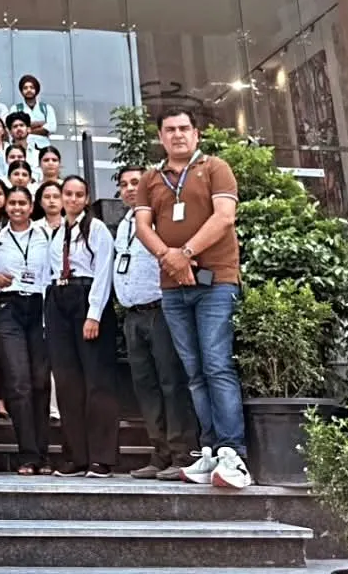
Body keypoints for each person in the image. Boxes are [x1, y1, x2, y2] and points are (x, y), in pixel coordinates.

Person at [133, 108, 251, 489]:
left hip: (215, 281)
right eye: (170, 129)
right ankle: (210, 449)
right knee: (195, 373)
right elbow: (142, 226)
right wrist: (168, 258)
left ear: (196, 134)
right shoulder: (151, 179)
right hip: (173, 289)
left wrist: (184, 253)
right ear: (161, 137)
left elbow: (224, 217)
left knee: (217, 365)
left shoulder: (216, 167)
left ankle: (234, 454)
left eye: (184, 128)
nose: (178, 134)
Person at [114, 166, 198, 481]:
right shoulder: (125, 224)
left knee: (171, 383)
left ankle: (181, 453)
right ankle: (159, 453)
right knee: (145, 387)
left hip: (162, 309)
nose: (129, 189)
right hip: (133, 315)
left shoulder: (163, 218)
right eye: (124, 184)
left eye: (135, 183)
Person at [44, 176, 118, 478]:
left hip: (85, 297)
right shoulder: (57, 231)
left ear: (86, 199)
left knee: (96, 381)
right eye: (68, 194)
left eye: (78, 194)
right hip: (58, 298)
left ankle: (101, 457)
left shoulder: (96, 229)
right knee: (67, 381)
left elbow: (103, 271)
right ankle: (76, 455)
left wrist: (94, 313)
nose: (72, 199)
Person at [0, 184, 51, 475]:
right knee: (18, 382)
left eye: (22, 203)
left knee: (40, 381)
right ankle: (28, 454)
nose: (17, 208)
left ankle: (43, 453)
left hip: (38, 306)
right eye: (12, 203)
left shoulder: (45, 235)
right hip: (9, 307)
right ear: (6, 206)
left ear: (31, 207)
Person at [12, 74, 57, 152]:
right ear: (21, 91)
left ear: (36, 90)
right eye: (25, 88)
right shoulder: (15, 108)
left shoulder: (47, 108)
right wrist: (41, 124)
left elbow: (52, 128)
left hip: (44, 147)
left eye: (32, 87)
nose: (29, 90)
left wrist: (26, 129)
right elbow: (13, 128)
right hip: (22, 148)